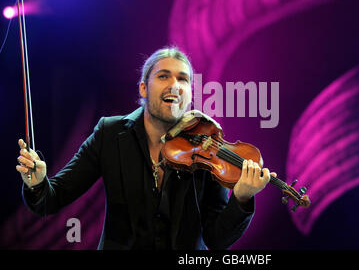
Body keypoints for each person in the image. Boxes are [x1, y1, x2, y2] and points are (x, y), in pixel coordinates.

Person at [16, 47, 276, 250]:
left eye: (183, 79)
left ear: (189, 94)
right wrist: (37, 183)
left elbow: (217, 240)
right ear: (143, 87)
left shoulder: (210, 147)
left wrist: (241, 199)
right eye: (164, 76)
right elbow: (52, 199)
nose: (174, 84)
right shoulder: (110, 133)